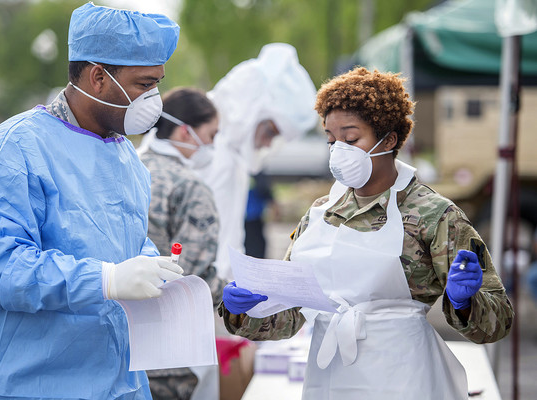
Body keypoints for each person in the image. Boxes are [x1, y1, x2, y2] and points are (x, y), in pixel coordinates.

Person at [219, 67, 514, 399]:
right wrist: (244, 309)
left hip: (404, 378)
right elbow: (289, 319)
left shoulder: (434, 214)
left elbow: (498, 321)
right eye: (332, 140)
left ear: (388, 139)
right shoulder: (320, 214)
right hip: (329, 378)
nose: (338, 151)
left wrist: (464, 302)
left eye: (351, 139)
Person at [0, 3, 183, 399]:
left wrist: (150, 265)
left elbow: (117, 240)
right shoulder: (11, 152)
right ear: (98, 77)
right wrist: (105, 279)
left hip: (113, 380)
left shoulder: (123, 155)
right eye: (145, 84)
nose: (154, 98)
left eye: (158, 83)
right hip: (22, 381)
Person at [196, 42, 318, 280]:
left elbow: (229, 238)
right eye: (271, 132)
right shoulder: (209, 153)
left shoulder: (232, 156)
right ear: (250, 111)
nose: (268, 144)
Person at [136, 87, 226, 400]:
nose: (213, 145)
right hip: (165, 355)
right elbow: (195, 275)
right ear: (186, 133)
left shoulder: (126, 169)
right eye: (211, 135)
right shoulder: (189, 186)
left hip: (116, 345)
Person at [244, 171, 279, 259]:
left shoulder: (255, 171)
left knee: (255, 247)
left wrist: (274, 207)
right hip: (247, 217)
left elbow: (265, 189)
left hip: (253, 217)